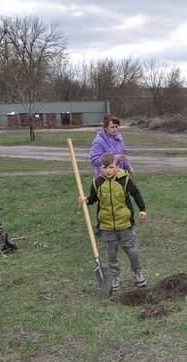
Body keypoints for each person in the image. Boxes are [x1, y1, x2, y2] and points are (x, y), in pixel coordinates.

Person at [79, 152, 147, 290]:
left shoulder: (124, 180)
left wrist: (142, 209)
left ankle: (137, 273)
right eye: (105, 167)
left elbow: (136, 193)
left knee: (132, 252)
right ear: (100, 168)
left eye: (111, 167)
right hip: (107, 226)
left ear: (116, 167)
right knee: (111, 255)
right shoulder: (97, 183)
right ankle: (115, 277)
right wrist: (86, 200)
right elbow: (93, 198)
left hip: (125, 224)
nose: (108, 170)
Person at [90, 114, 134, 236]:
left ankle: (124, 223)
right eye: (112, 127)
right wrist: (113, 158)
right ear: (105, 127)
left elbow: (122, 154)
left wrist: (128, 166)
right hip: (104, 177)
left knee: (121, 199)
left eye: (116, 126)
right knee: (104, 202)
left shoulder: (119, 138)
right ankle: (101, 227)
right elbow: (94, 160)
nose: (115, 129)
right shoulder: (98, 141)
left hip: (119, 175)